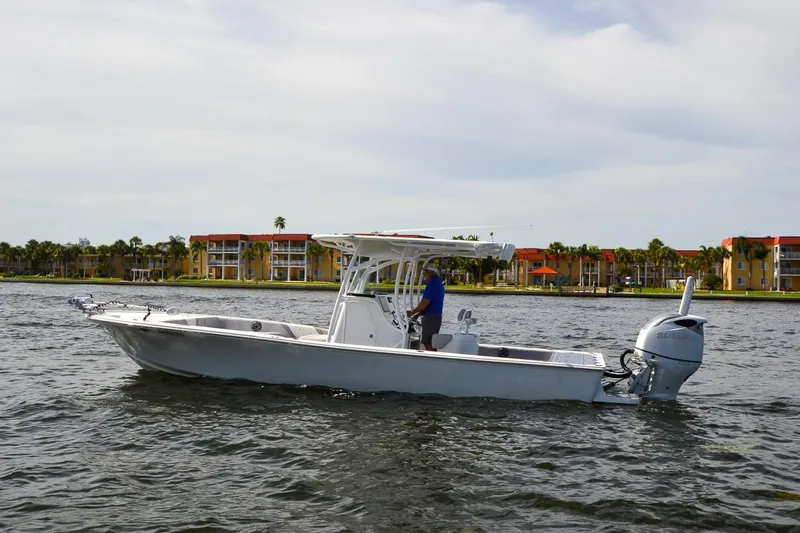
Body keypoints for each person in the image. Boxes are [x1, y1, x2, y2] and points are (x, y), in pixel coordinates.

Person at [407, 264, 445, 351]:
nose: (424, 274)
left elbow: (426, 301)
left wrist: (413, 311)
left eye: (425, 272)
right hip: (431, 316)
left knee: (428, 342)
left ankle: (433, 361)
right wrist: (418, 313)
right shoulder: (434, 283)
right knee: (428, 341)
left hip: (432, 317)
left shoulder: (434, 284)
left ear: (432, 272)